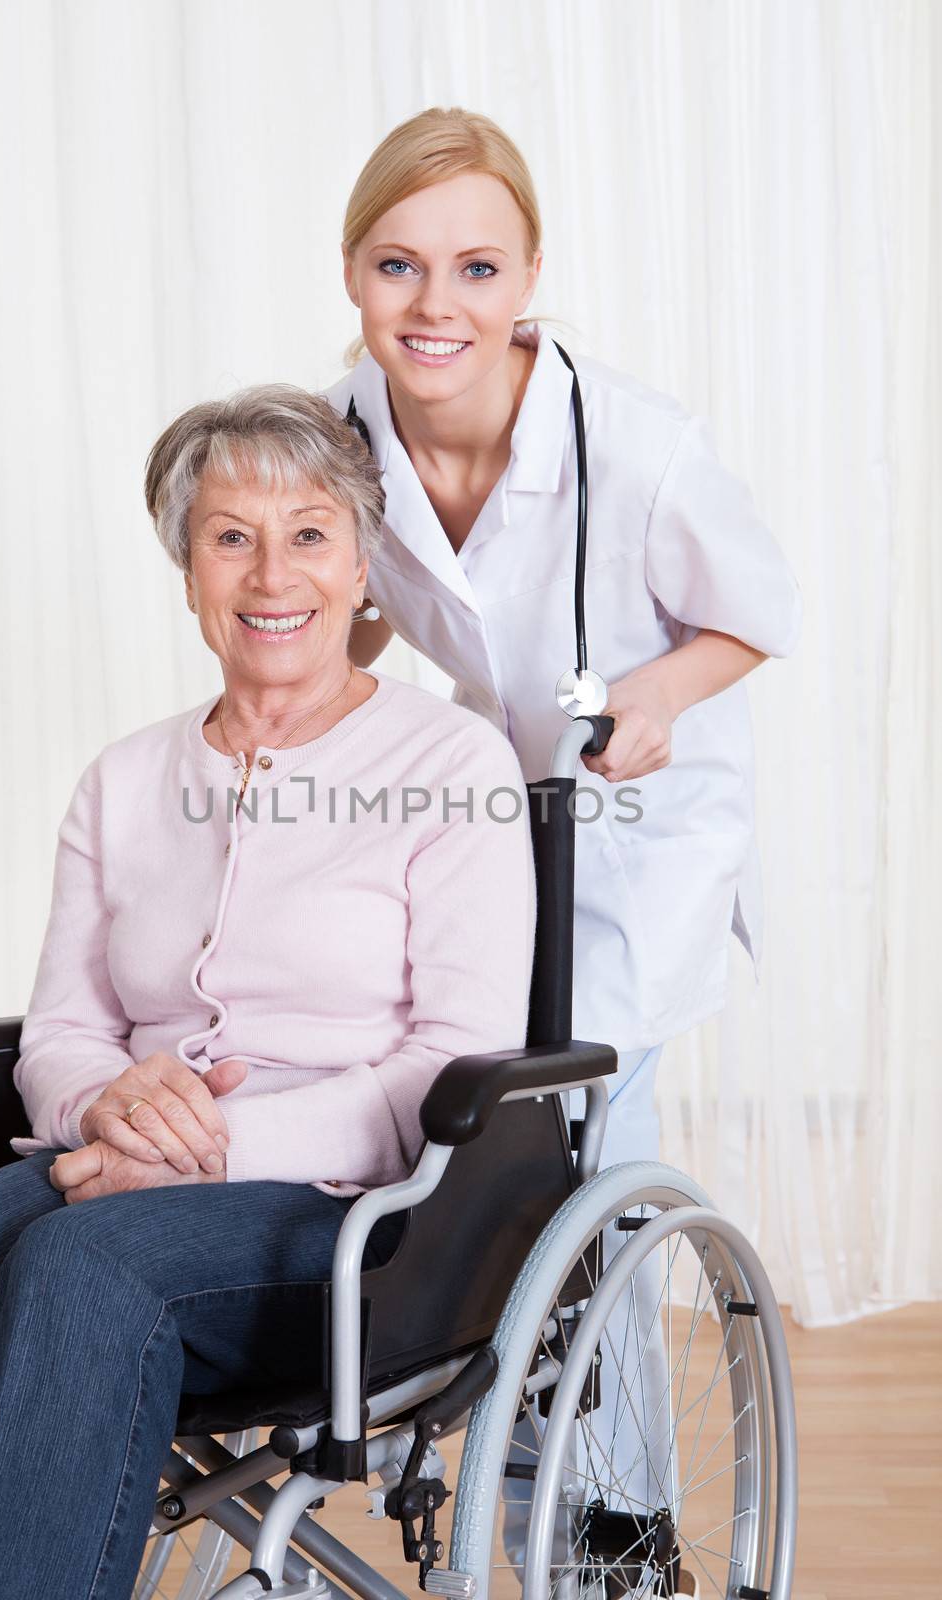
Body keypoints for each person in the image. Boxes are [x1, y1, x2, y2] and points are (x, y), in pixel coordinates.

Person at [0, 385, 536, 1600]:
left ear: (360, 568)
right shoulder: (124, 781)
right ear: (188, 572)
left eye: (307, 533)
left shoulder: (449, 763)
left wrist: (217, 1143)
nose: (268, 571)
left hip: (358, 1215)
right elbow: (67, 1026)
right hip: (114, 1159)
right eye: (229, 535)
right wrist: (110, 1105)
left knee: (84, 1265)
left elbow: (458, 1055)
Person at [324, 106, 803, 1558]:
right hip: (487, 809)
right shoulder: (338, 427)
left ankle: (618, 1518)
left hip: (637, 821)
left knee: (584, 1131)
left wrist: (656, 691)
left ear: (528, 272)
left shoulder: (635, 443)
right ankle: (480, 1410)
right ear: (352, 271)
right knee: (424, 1078)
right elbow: (330, 603)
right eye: (398, 267)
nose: (435, 306)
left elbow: (755, 615)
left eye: (475, 269)